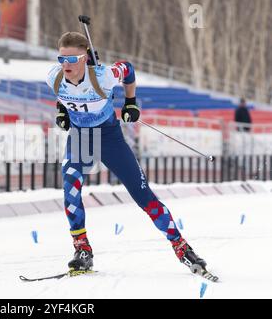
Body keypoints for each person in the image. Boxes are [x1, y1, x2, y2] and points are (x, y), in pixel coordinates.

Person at [46, 32, 210, 275]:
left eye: (72, 59)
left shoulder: (103, 77)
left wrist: (130, 102)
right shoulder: (53, 77)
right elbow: (65, 95)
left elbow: (129, 69)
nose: (65, 65)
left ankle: (181, 247)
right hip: (80, 137)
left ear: (85, 59)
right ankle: (82, 250)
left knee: (143, 195)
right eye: (62, 59)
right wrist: (62, 111)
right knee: (71, 190)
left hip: (109, 138)